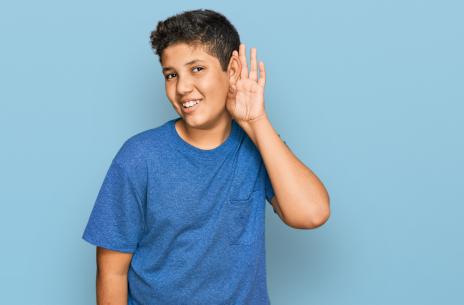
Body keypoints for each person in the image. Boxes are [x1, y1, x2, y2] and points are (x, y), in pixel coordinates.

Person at [82, 8, 330, 305]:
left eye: (197, 69)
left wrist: (256, 120)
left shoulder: (258, 147)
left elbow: (312, 213)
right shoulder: (138, 158)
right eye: (171, 75)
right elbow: (111, 273)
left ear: (233, 70)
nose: (182, 87)